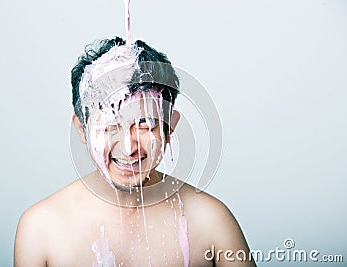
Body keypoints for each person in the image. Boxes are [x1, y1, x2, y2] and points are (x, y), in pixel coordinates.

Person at [14, 37, 256, 267]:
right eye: (109, 125)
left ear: (169, 126)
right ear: (82, 129)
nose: (128, 148)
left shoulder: (211, 221)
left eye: (144, 123)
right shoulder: (41, 228)